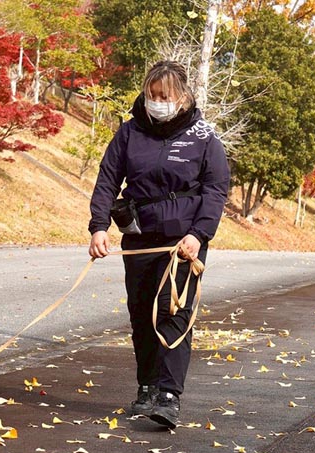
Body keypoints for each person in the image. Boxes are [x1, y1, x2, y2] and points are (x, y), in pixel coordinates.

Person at [88, 60, 230, 429]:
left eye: (164, 96)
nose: (156, 102)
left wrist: (198, 235)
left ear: (182, 97)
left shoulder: (204, 138)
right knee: (141, 313)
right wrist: (98, 227)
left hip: (183, 240)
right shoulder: (129, 133)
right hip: (139, 236)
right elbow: (107, 180)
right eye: (151, 96)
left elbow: (215, 191)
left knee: (171, 312)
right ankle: (147, 387)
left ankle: (168, 395)